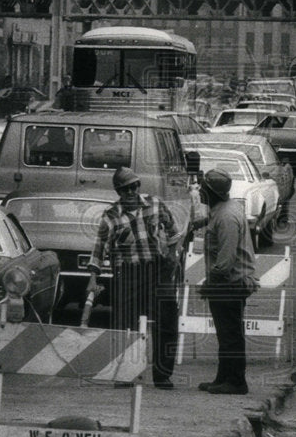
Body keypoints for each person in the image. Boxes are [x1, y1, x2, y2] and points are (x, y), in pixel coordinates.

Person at [86, 167, 181, 389]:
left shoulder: (155, 204)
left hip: (157, 270)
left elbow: (174, 233)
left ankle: (162, 375)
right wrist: (93, 278)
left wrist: (172, 255)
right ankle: (126, 373)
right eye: (125, 189)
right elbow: (99, 249)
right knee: (124, 326)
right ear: (118, 192)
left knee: (166, 321)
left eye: (134, 187)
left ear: (139, 186)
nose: (131, 192)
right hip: (127, 274)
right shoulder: (111, 216)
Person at [196, 169, 258, 395]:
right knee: (226, 332)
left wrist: (211, 283)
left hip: (230, 282)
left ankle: (236, 381)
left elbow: (227, 258)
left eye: (203, 188)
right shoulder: (223, 211)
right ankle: (223, 377)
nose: (200, 191)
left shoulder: (226, 217)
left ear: (212, 192)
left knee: (230, 333)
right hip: (229, 281)